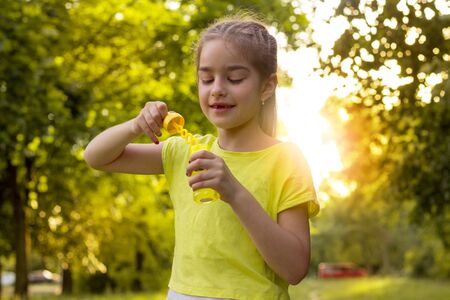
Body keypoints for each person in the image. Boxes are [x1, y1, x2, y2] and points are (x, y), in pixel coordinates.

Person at [84, 14, 320, 300]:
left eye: (234, 78)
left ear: (267, 86)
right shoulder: (186, 150)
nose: (217, 88)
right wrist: (135, 125)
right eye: (206, 78)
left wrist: (234, 192)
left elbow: (294, 269)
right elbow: (96, 156)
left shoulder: (286, 159)